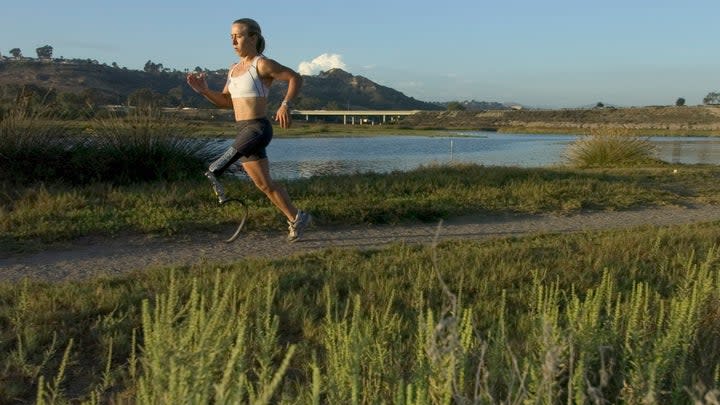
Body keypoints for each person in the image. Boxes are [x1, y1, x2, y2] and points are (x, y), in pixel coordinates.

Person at [187, 18, 311, 242]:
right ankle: (297, 217)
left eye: (239, 35)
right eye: (231, 37)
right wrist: (204, 91)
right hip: (243, 129)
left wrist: (285, 105)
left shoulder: (261, 64)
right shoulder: (233, 70)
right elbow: (226, 101)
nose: (233, 40)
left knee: (216, 167)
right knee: (265, 185)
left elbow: (295, 77)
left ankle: (215, 170)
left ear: (253, 37)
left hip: (257, 128)